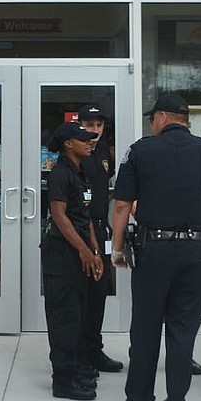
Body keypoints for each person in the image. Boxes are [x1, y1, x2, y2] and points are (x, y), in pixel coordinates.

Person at [111, 92, 201, 401]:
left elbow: (122, 205)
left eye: (151, 119)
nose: (151, 125)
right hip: (194, 253)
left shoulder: (140, 150)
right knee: (182, 332)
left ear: (161, 117)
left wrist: (117, 248)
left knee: (145, 330)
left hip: (152, 252)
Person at [40, 121, 104, 400]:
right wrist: (83, 250)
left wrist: (94, 250)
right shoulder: (60, 174)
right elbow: (59, 216)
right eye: (83, 139)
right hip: (61, 255)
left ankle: (76, 368)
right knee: (64, 319)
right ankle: (63, 380)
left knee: (77, 316)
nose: (90, 142)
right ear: (68, 144)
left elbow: (83, 216)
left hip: (78, 252)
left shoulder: (79, 172)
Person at [77, 104, 123, 375]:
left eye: (99, 125)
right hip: (80, 230)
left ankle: (94, 350)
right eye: (89, 125)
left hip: (100, 227)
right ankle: (78, 354)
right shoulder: (75, 150)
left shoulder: (105, 151)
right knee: (80, 294)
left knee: (98, 292)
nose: (94, 130)